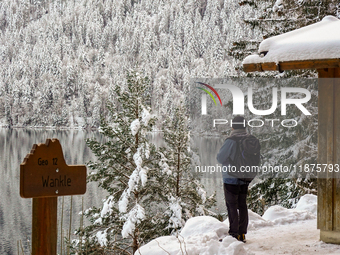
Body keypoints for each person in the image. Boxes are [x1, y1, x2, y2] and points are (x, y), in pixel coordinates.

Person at [216, 115, 250, 243]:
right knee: (242, 204)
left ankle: (234, 234)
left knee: (231, 205)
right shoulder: (249, 139)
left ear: (233, 126)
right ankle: (242, 234)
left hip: (231, 178)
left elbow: (220, 158)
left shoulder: (231, 140)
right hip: (245, 177)